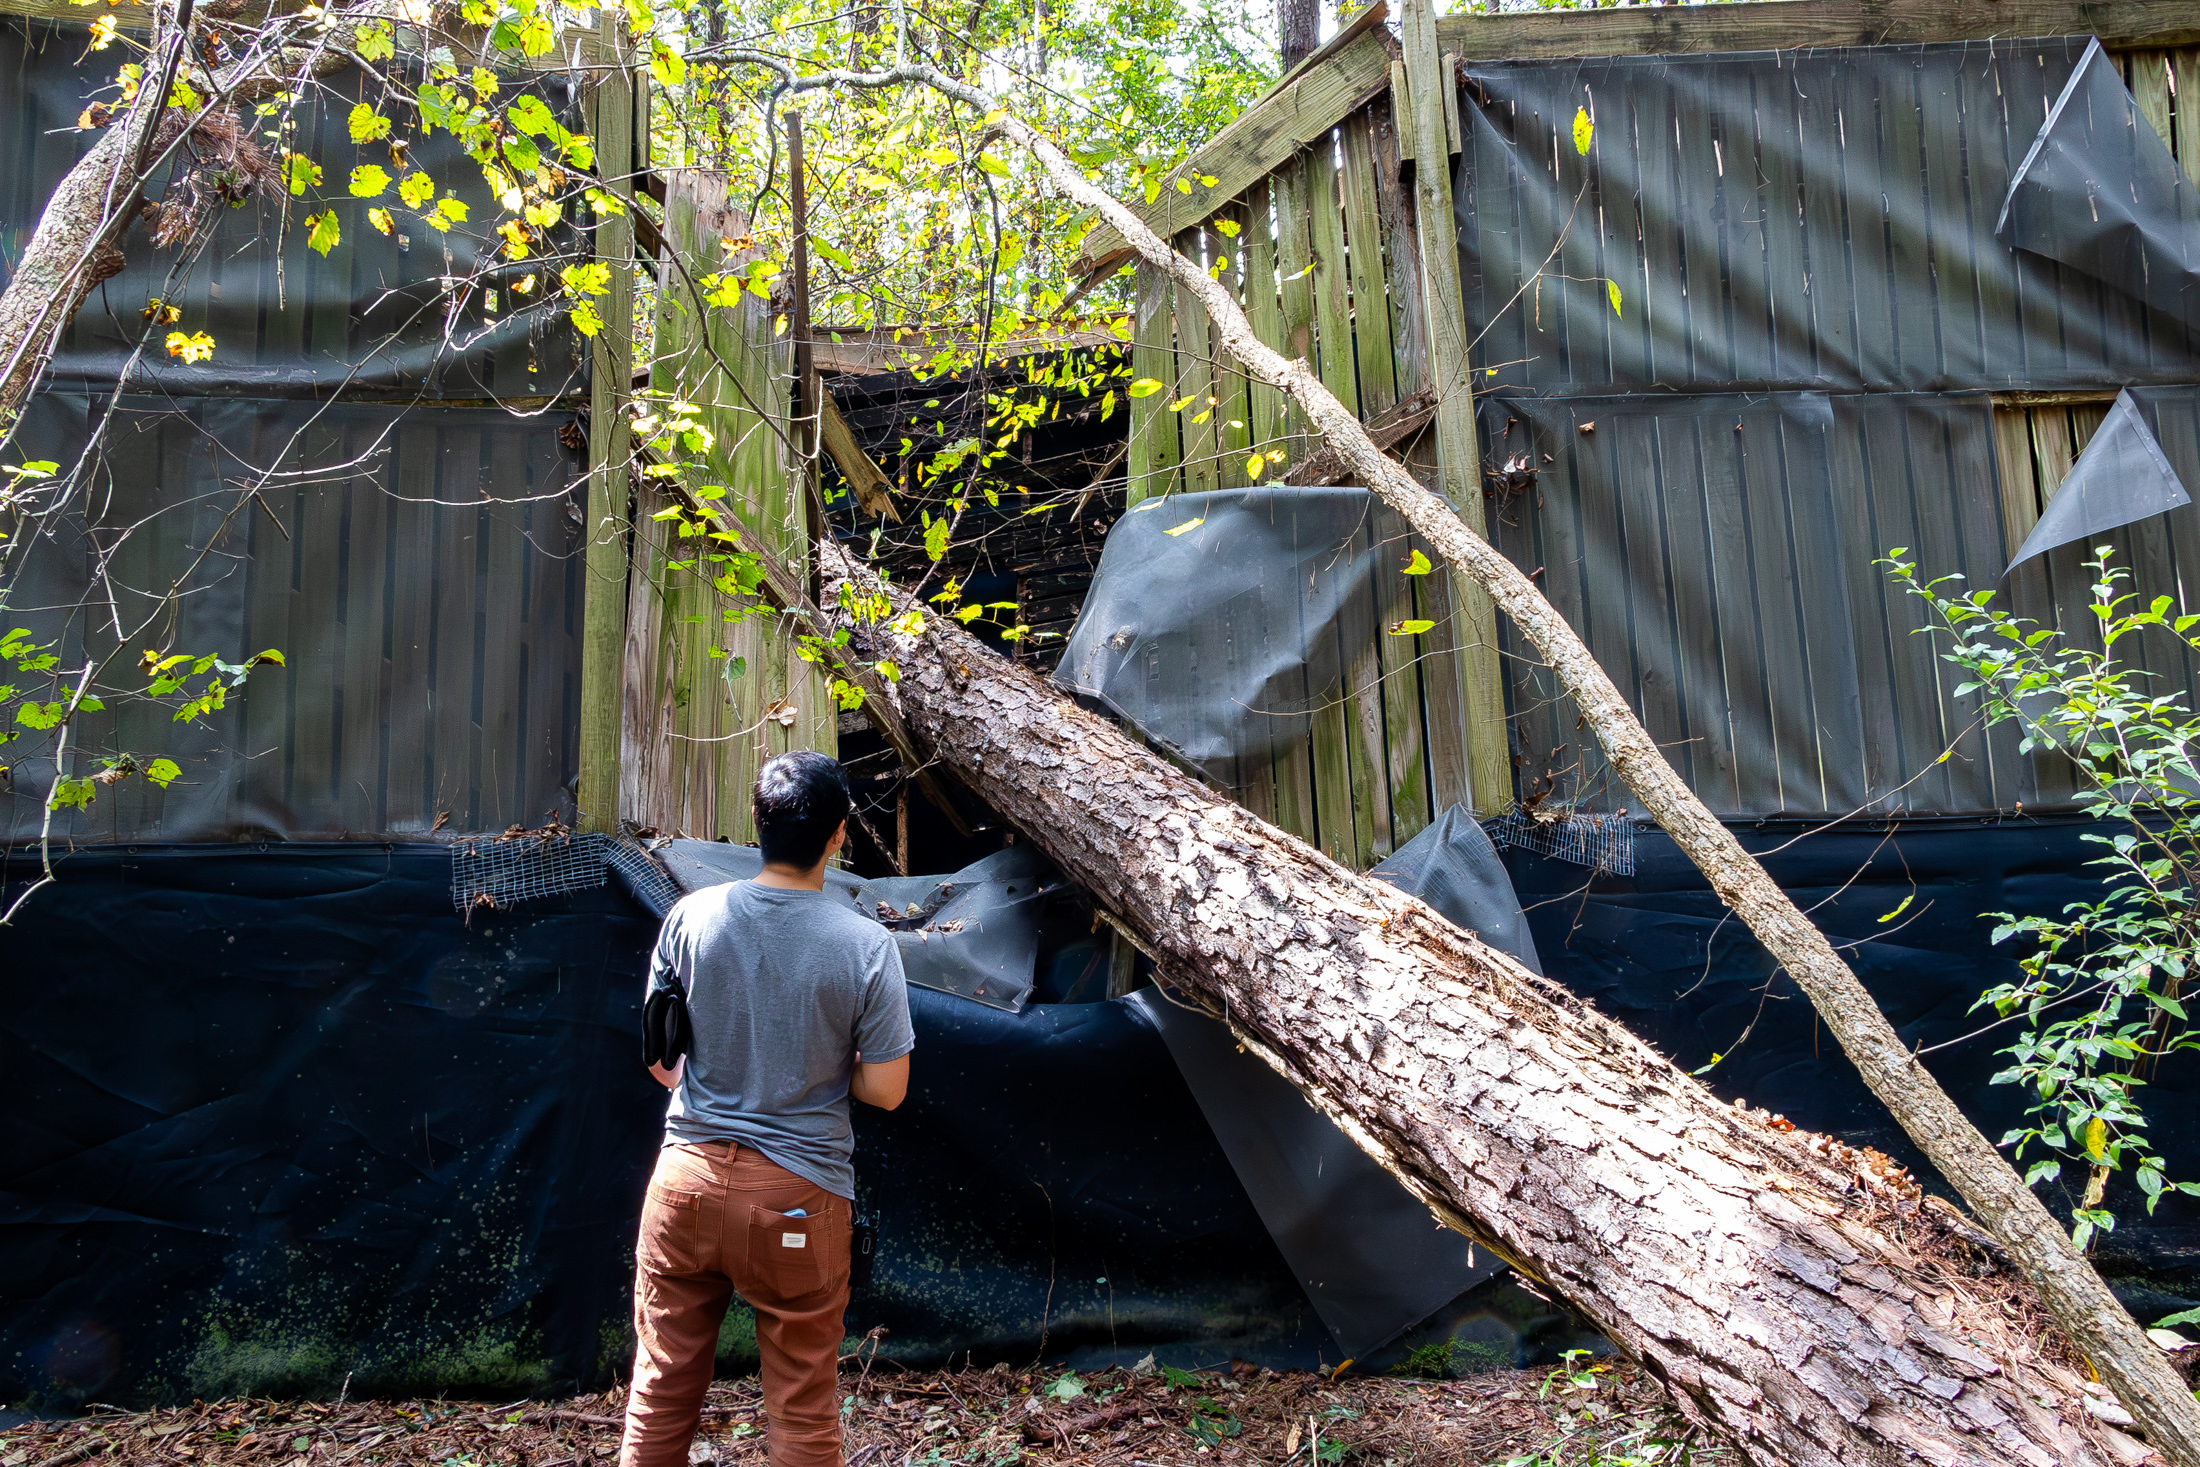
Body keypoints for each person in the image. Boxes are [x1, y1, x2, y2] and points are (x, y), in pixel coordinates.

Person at [619, 751, 914, 1467]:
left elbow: (662, 1062)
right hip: (797, 1201)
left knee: (659, 1390)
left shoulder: (689, 917)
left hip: (683, 1187)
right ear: (839, 835)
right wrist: (812, 1061)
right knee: (803, 1409)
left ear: (757, 825)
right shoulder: (868, 947)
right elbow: (888, 1089)